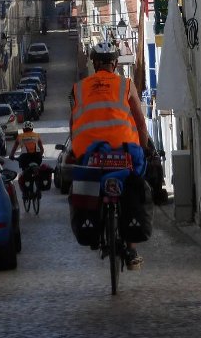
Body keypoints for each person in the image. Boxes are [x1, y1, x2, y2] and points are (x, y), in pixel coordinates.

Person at [69, 42, 150, 270]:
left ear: (94, 64)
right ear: (115, 64)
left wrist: (77, 152)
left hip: (91, 155)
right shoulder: (126, 85)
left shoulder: (78, 88)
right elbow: (141, 123)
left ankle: (94, 227)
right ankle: (132, 249)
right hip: (124, 152)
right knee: (134, 183)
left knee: (88, 185)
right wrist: (144, 148)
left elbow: (73, 124)